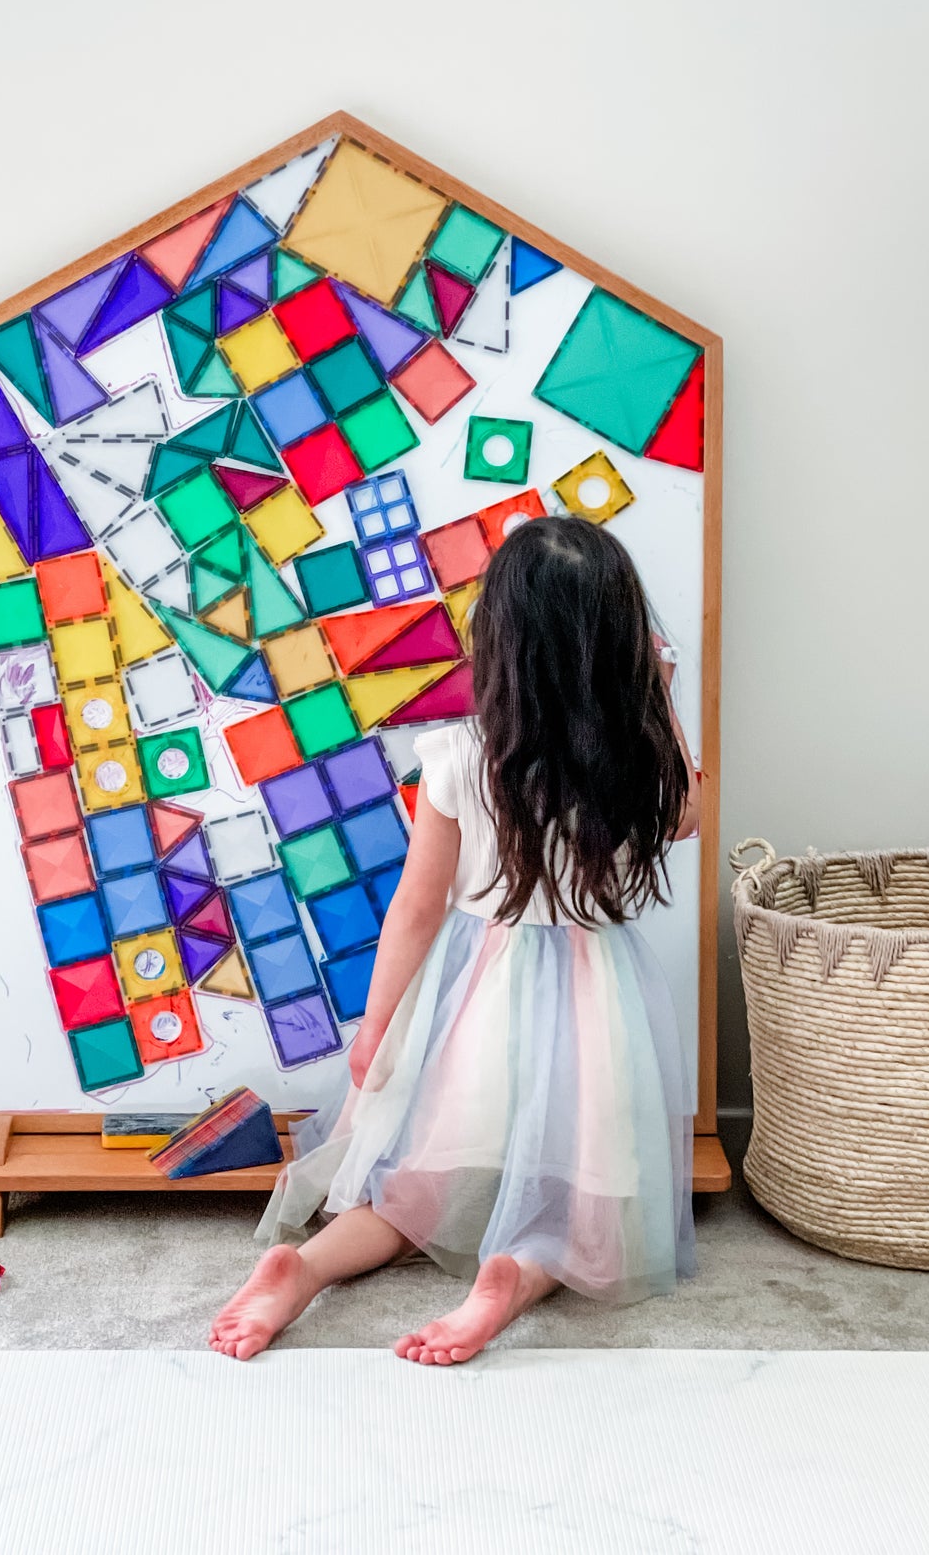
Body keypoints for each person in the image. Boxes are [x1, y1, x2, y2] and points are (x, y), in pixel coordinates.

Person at [209, 515, 700, 1364]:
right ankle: (514, 1270)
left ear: (499, 642)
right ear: (621, 639)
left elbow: (414, 910)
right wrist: (658, 691)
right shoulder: (641, 761)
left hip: (475, 1002)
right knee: (598, 1212)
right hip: (598, 1012)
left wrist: (376, 1032)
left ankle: (305, 1266)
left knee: (412, 1191)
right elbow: (687, 813)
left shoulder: (459, 759)